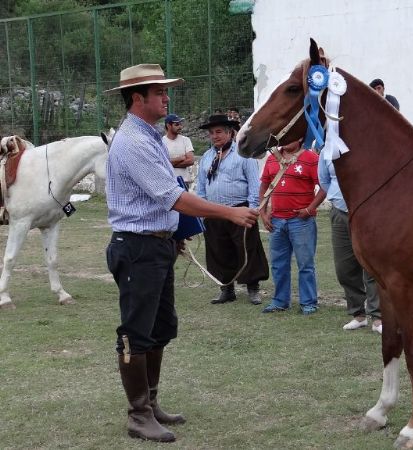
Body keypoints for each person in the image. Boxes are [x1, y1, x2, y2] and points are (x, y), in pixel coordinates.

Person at [104, 63, 258, 442]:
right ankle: (138, 414)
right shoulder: (134, 142)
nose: (166, 97)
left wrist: (175, 234)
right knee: (136, 333)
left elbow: (165, 195)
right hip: (137, 248)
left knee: (159, 328)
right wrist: (230, 212)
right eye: (159, 92)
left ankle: (150, 403)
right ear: (137, 99)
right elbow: (172, 196)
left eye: (165, 90)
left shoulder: (150, 137)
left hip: (156, 246)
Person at [195, 114, 269, 305]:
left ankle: (253, 288)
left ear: (230, 132)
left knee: (247, 248)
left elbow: (254, 185)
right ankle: (226, 289)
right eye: (211, 133)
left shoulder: (243, 155)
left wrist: (253, 211)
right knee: (219, 251)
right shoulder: (206, 157)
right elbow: (201, 186)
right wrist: (202, 211)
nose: (214, 136)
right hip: (214, 211)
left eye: (219, 131)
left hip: (240, 210)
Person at [259, 139, 326, 315]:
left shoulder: (311, 158)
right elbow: (264, 184)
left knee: (305, 264)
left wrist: (309, 209)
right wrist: (263, 212)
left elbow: (324, 186)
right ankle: (280, 301)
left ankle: (308, 302)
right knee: (278, 264)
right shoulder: (272, 158)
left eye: (292, 136)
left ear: (300, 139)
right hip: (276, 220)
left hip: (301, 221)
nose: (287, 140)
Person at [318, 155, 382, 333]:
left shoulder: (366, 145)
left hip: (367, 212)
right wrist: (338, 197)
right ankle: (358, 315)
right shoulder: (327, 150)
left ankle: (378, 317)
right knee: (344, 268)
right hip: (340, 213)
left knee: (371, 267)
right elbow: (324, 180)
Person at [162, 113, 195, 187]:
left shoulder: (185, 140)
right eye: (177, 125)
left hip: (184, 182)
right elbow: (161, 163)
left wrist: (169, 164)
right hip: (168, 182)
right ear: (168, 126)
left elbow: (191, 160)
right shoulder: (161, 142)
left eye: (180, 124)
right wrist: (181, 158)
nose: (180, 127)